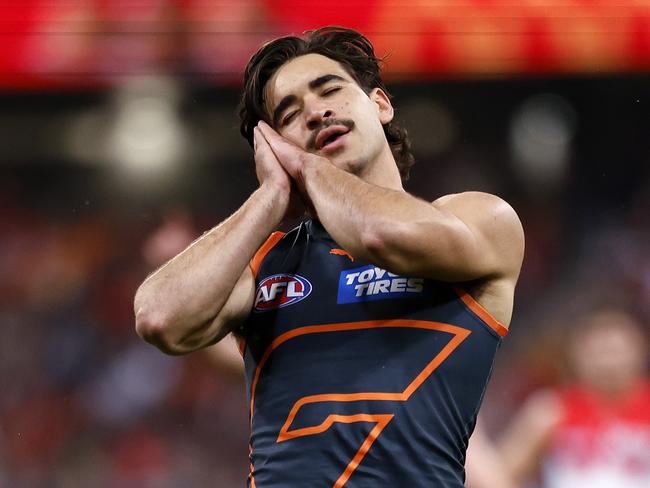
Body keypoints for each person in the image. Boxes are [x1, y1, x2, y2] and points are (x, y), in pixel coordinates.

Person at [134, 26, 525, 487]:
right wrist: (268, 198)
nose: (317, 113)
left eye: (329, 90)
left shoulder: (480, 218)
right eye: (290, 114)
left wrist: (307, 167)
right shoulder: (269, 262)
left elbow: (381, 234)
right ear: (276, 147)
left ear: (380, 104)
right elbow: (159, 318)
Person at [498, 306, 650, 487]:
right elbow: (501, 473)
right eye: (599, 352)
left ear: (641, 350)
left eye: (616, 351)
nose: (609, 363)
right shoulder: (551, 409)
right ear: (576, 354)